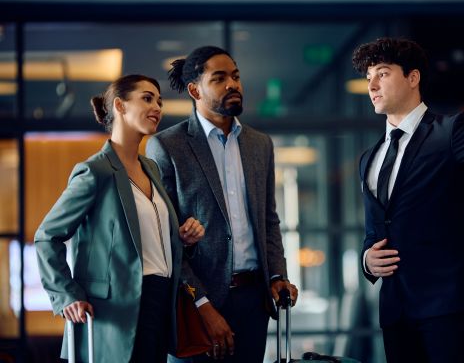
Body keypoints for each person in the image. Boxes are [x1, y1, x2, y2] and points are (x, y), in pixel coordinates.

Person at [352, 37, 464, 363]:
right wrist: (367, 261)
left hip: (449, 303)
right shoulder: (369, 158)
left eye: (382, 73)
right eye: (368, 78)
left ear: (413, 77)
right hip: (396, 310)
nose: (372, 85)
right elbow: (373, 233)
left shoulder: (451, 130)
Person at [34, 74, 205, 363]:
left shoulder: (151, 168)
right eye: (147, 98)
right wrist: (67, 295)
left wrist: (184, 238)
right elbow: (46, 237)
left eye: (160, 101)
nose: (157, 107)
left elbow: (149, 243)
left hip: (159, 305)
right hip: (116, 313)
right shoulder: (95, 171)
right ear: (120, 106)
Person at [146, 46, 298, 363]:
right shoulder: (167, 146)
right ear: (194, 90)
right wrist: (201, 303)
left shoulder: (260, 144)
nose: (233, 84)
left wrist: (276, 275)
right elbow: (164, 241)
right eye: (219, 78)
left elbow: (268, 220)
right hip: (197, 305)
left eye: (236, 76)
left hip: (254, 302)